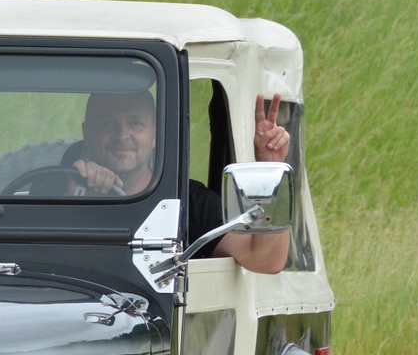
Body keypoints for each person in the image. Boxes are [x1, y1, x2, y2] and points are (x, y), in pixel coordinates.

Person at [71, 91, 292, 275]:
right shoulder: (60, 191)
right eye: (107, 124)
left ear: (156, 135)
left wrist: (271, 171)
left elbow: (264, 260)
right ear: (87, 132)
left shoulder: (190, 202)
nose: (122, 135)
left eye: (135, 123)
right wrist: (75, 192)